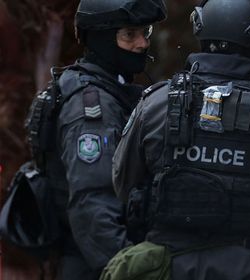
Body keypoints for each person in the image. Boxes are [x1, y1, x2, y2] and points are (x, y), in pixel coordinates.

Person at [111, 0, 250, 279]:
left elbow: (123, 182)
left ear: (200, 32)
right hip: (243, 267)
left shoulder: (156, 103)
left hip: (165, 266)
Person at [32, 0, 167, 279]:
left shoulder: (111, 89)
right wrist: (128, 270)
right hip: (93, 265)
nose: (142, 43)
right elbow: (91, 204)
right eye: (129, 35)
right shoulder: (92, 107)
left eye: (146, 32)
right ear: (102, 38)